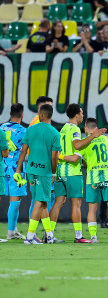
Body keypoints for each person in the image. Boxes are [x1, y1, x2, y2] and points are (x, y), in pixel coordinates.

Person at [49, 104, 106, 243]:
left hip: (60, 171)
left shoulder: (63, 128)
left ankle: (49, 234)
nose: (82, 115)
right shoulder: (75, 129)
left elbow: (58, 150)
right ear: (76, 115)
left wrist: (59, 158)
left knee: (58, 202)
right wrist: (93, 136)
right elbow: (77, 145)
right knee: (76, 204)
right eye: (81, 113)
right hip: (72, 172)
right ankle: (78, 236)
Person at [13, 104, 60, 244]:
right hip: (44, 172)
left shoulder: (31, 129)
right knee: (39, 202)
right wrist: (54, 173)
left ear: (42, 115)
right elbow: (54, 157)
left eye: (39, 112)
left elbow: (23, 151)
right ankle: (29, 236)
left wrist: (18, 169)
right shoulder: (54, 133)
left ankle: (49, 235)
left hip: (31, 170)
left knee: (42, 201)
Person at [81, 118, 108, 243]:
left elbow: (84, 161)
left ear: (86, 128)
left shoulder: (84, 143)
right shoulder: (105, 139)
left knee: (92, 209)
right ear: (96, 128)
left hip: (92, 177)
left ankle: (93, 237)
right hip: (107, 175)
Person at [2, 103, 26, 240]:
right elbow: (25, 151)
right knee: (15, 200)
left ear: (10, 113)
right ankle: (11, 231)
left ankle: (14, 230)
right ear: (22, 114)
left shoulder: (1, 128)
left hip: (2, 167)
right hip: (16, 169)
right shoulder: (24, 131)